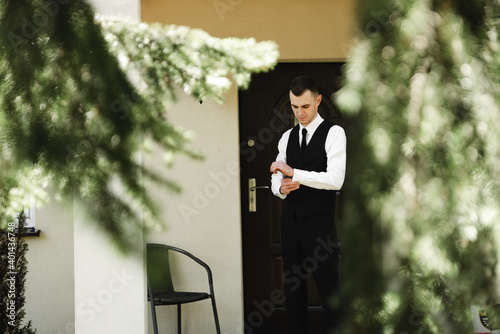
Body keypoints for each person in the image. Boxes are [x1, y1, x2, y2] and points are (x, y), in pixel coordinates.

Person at [270, 75, 346, 333]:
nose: (299, 113)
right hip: (290, 223)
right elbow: (276, 178)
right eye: (294, 107)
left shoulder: (334, 133)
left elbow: (335, 180)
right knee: (293, 294)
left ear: (318, 100)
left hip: (320, 224)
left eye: (305, 106)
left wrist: (295, 174)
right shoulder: (285, 138)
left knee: (330, 291)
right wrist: (281, 187)